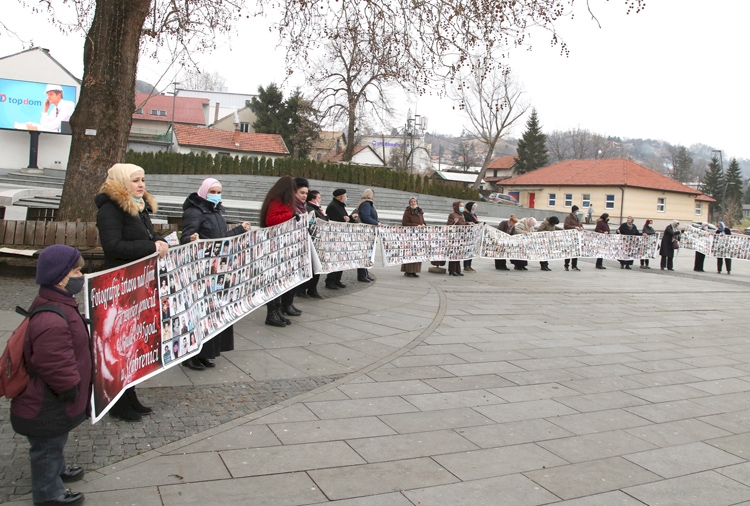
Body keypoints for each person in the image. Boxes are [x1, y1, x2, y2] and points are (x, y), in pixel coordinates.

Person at [10, 245, 91, 506]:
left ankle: (58, 469)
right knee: (46, 446)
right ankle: (48, 494)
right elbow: (53, 362)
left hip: (52, 400)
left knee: (56, 438)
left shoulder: (58, 302)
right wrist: (71, 388)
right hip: (46, 401)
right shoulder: (52, 318)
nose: (82, 276)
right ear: (61, 276)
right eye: (77, 271)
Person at [96, 163, 168, 421]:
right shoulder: (110, 209)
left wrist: (162, 240)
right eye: (135, 180)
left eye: (143, 179)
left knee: (134, 344)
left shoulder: (139, 206)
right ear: (120, 183)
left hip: (137, 284)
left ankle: (130, 394)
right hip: (118, 286)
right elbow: (113, 246)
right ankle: (117, 401)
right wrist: (151, 246)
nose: (141, 185)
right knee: (119, 345)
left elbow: (142, 237)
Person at [180, 178, 250, 371]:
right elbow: (185, 237)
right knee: (201, 313)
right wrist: (191, 239)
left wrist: (239, 230)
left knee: (214, 312)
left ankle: (206, 353)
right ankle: (192, 356)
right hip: (202, 272)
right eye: (213, 191)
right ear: (204, 191)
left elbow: (221, 239)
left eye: (219, 192)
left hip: (218, 270)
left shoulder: (217, 211)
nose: (216, 195)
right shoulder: (194, 212)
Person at [260, 175, 300, 326]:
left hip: (281, 245)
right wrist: (290, 215)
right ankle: (271, 313)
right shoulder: (276, 200)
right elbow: (271, 220)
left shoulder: (282, 201)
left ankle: (276, 311)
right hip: (273, 246)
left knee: (279, 280)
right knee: (273, 280)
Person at [301, 190, 327, 298]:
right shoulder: (310, 209)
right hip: (312, 241)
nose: (320, 200)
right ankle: (305, 289)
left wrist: (324, 214)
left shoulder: (316, 209)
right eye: (319, 198)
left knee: (316, 266)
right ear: (313, 199)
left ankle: (311, 288)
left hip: (317, 241)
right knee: (312, 266)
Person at [324, 189, 350, 290]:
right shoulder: (333, 206)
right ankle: (330, 281)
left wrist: (350, 218)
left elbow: (344, 218)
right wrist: (346, 219)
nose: (346, 198)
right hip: (335, 237)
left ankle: (337, 279)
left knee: (341, 259)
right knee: (335, 259)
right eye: (345, 196)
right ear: (341, 197)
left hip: (342, 236)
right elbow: (334, 221)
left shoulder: (340, 205)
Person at [356, 189, 379, 282]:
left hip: (368, 232)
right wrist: (376, 223)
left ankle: (365, 273)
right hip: (366, 233)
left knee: (367, 254)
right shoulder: (366, 204)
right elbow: (366, 217)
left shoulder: (367, 204)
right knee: (364, 254)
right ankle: (362, 275)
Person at [401, 197, 426, 277]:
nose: (413, 203)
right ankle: (408, 271)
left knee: (418, 253)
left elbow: (423, 221)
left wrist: (423, 225)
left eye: (414, 201)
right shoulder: (407, 212)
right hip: (410, 235)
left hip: (419, 235)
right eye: (411, 201)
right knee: (410, 253)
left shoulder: (420, 212)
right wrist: (416, 226)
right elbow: (404, 223)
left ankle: (415, 271)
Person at [447, 201, 466, 276]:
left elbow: (463, 224)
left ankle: (458, 269)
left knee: (458, 253)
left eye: (463, 206)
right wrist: (453, 222)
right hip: (454, 237)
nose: (462, 207)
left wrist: (468, 223)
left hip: (460, 236)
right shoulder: (452, 215)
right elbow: (448, 225)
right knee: (453, 253)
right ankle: (452, 270)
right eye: (461, 206)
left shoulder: (462, 215)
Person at [564, 205, 584, 271]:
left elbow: (580, 224)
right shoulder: (568, 217)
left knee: (576, 251)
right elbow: (566, 226)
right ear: (574, 211)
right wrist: (575, 227)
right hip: (570, 236)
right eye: (577, 210)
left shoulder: (577, 218)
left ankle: (574, 265)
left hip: (576, 237)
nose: (578, 211)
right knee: (569, 251)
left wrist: (581, 227)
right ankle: (566, 265)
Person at [462, 201, 480, 272]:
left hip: (473, 235)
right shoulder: (464, 214)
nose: (474, 208)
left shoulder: (473, 215)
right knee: (467, 250)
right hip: (467, 235)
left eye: (475, 207)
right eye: (473, 207)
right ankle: (466, 265)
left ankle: (469, 265)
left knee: (471, 251)